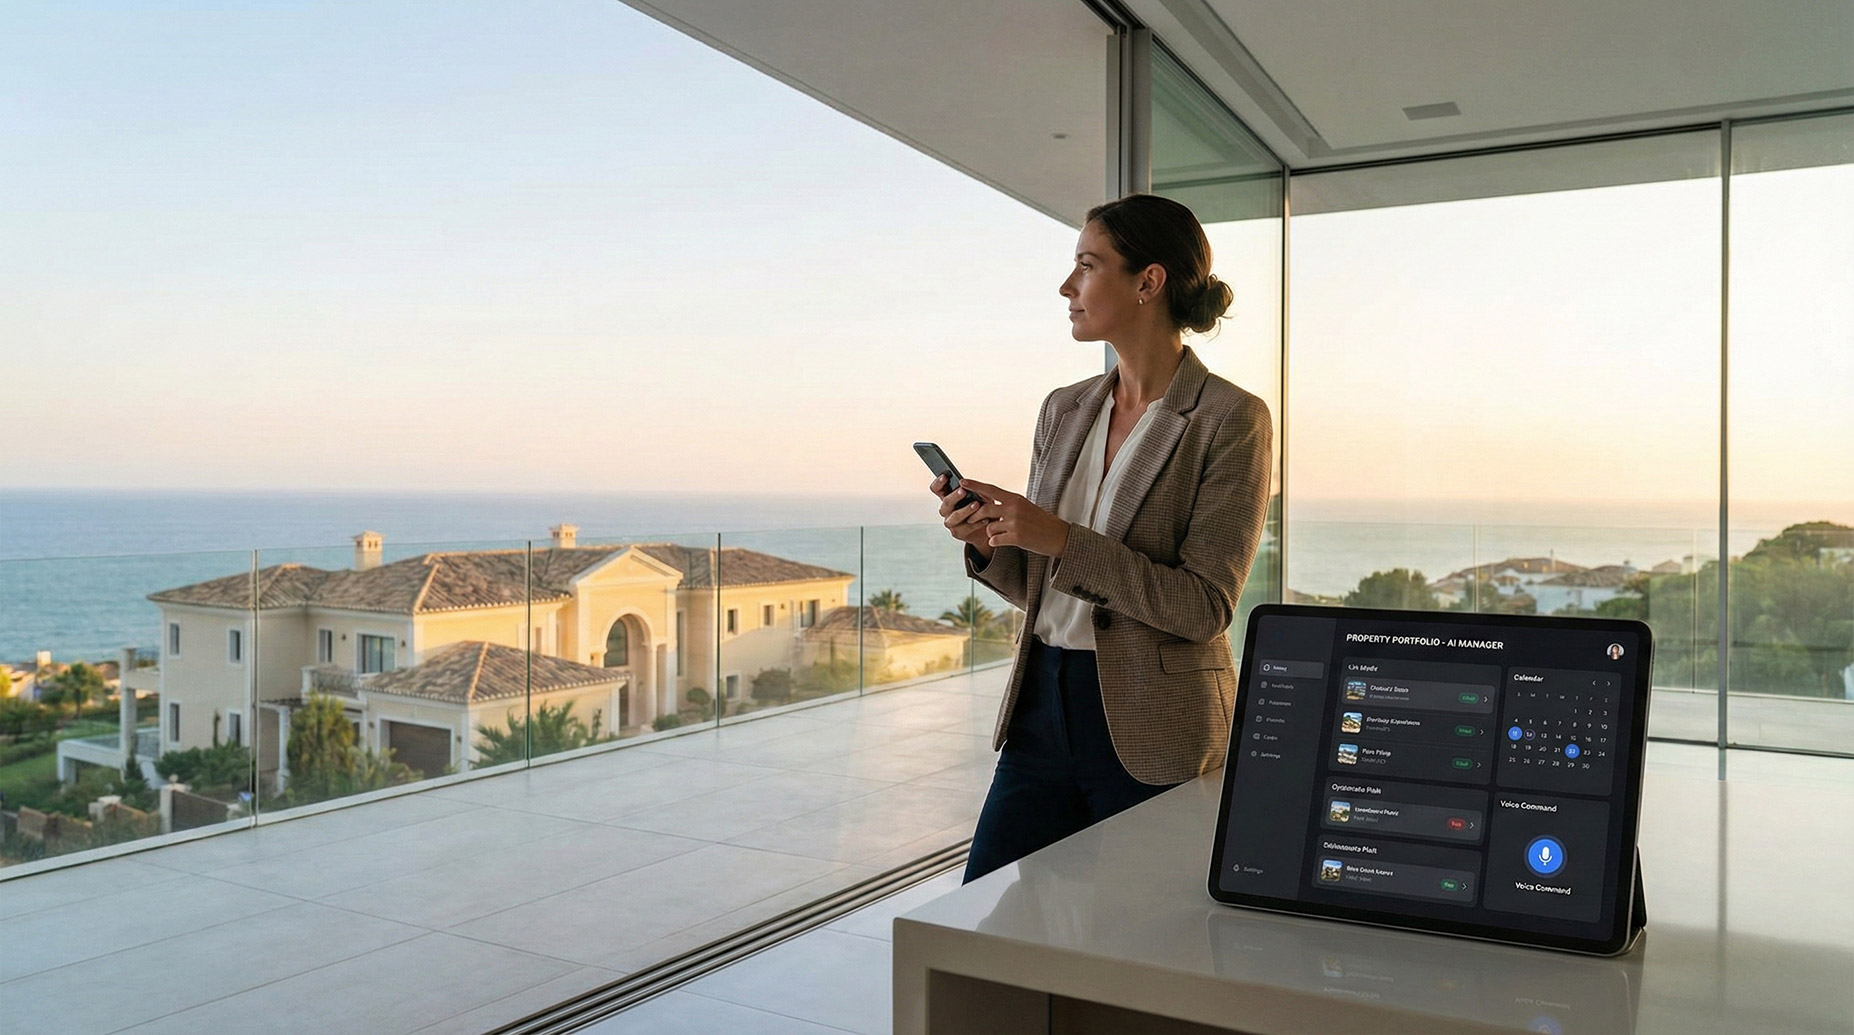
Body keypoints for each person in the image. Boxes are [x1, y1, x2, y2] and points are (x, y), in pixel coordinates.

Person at [935, 193, 1273, 883]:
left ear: (1149, 282)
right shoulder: (1063, 409)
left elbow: (1203, 605)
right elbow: (1042, 583)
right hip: (1042, 705)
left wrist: (1061, 537)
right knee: (988, 924)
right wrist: (989, 541)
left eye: (1088, 266)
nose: (1068, 286)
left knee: (1144, 943)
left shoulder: (1230, 419)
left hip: (1156, 721)